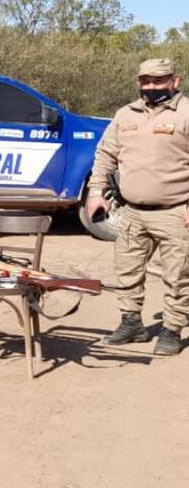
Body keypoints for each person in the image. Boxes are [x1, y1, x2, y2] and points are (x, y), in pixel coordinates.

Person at [87, 57, 189, 355]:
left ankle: (171, 329)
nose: (152, 86)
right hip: (131, 212)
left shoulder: (185, 113)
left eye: (159, 80)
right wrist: (95, 192)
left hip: (175, 211)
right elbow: (105, 155)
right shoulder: (124, 115)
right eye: (146, 80)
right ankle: (132, 324)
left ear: (175, 81)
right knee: (127, 271)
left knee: (178, 275)